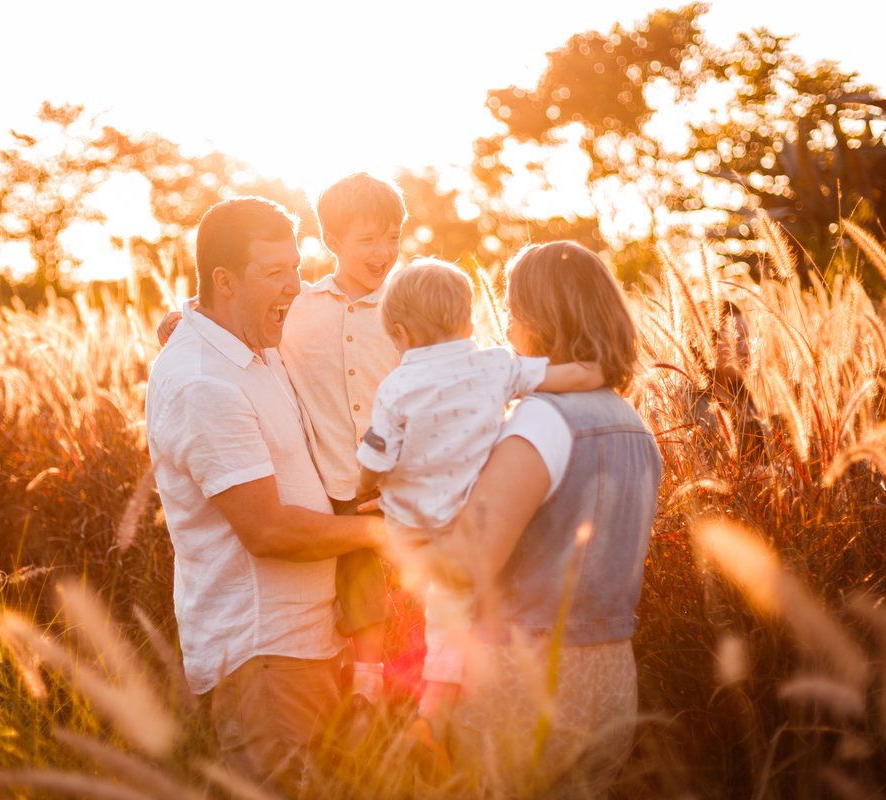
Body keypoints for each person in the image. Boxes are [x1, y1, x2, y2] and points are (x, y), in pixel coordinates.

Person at [145, 197, 384, 793]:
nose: (295, 287)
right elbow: (268, 530)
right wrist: (386, 532)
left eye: (297, 268)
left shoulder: (255, 345)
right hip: (265, 659)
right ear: (224, 281)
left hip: (305, 645)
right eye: (276, 272)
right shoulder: (204, 381)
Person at [426, 241, 663, 798]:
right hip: (612, 681)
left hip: (525, 682)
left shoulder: (541, 421)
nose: (507, 330)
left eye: (513, 313)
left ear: (539, 319)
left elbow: (468, 564)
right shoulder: (633, 424)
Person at [354, 258, 604, 745]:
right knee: (450, 611)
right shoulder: (495, 365)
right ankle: (433, 713)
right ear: (469, 321)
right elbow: (563, 378)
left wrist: (367, 487)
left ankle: (396, 696)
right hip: (468, 513)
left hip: (410, 520)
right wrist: (599, 371)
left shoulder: (395, 387)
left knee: (424, 600)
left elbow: (375, 460)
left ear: (401, 333)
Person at [683, 299, 767, 462]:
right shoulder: (686, 404)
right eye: (737, 340)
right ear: (707, 342)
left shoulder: (746, 399)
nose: (746, 350)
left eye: (747, 340)